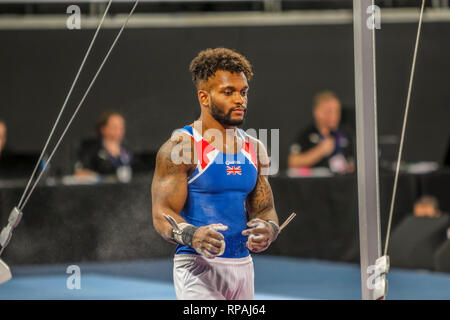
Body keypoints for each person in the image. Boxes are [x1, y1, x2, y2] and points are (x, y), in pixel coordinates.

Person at [151, 47, 280, 300]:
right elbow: (161, 214)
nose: (239, 100)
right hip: (198, 266)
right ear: (204, 97)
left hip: (243, 266)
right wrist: (193, 235)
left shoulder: (254, 147)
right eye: (228, 92)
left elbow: (265, 209)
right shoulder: (181, 148)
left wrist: (269, 229)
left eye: (243, 92)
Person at [288, 91, 355, 174]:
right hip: (317, 184)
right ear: (317, 112)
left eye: (337, 111)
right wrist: (320, 151)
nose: (334, 116)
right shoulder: (307, 134)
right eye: (329, 111)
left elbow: (354, 162)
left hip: (343, 183)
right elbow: (293, 162)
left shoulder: (346, 134)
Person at [74, 111, 134, 181]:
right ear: (103, 129)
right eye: (114, 127)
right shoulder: (91, 149)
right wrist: (103, 179)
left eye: (121, 127)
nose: (119, 130)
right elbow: (80, 173)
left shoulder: (127, 151)